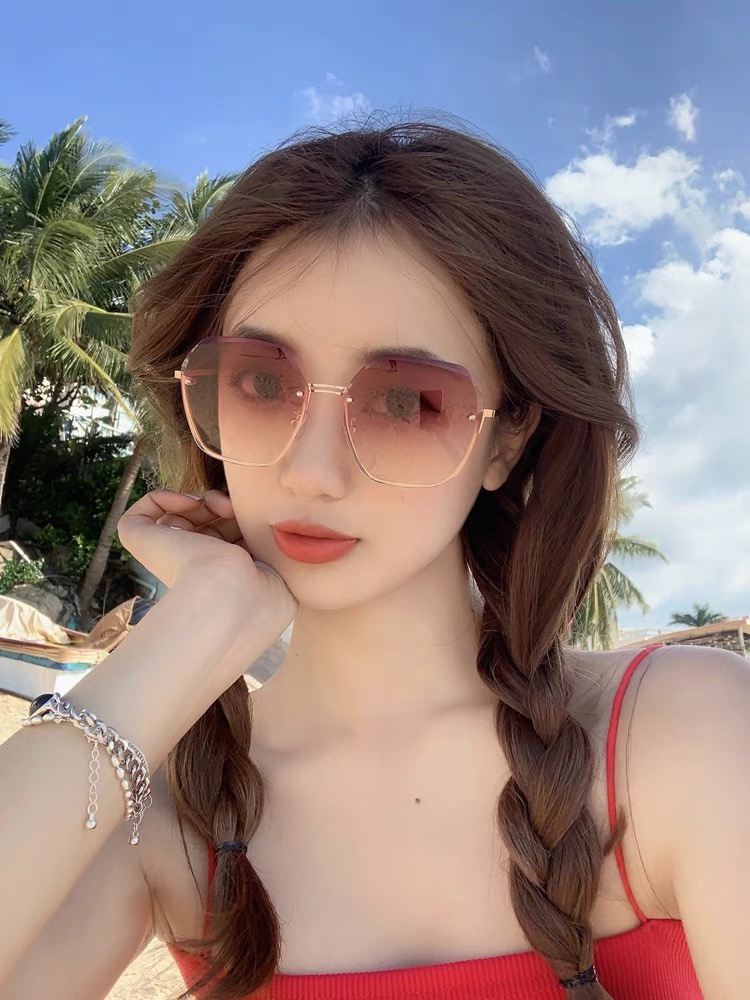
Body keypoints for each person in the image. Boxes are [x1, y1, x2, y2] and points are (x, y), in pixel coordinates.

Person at [1, 114, 747, 1000]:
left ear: (509, 436)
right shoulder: (167, 810)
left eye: (404, 401)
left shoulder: (681, 735)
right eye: (262, 382)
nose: (310, 471)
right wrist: (180, 640)